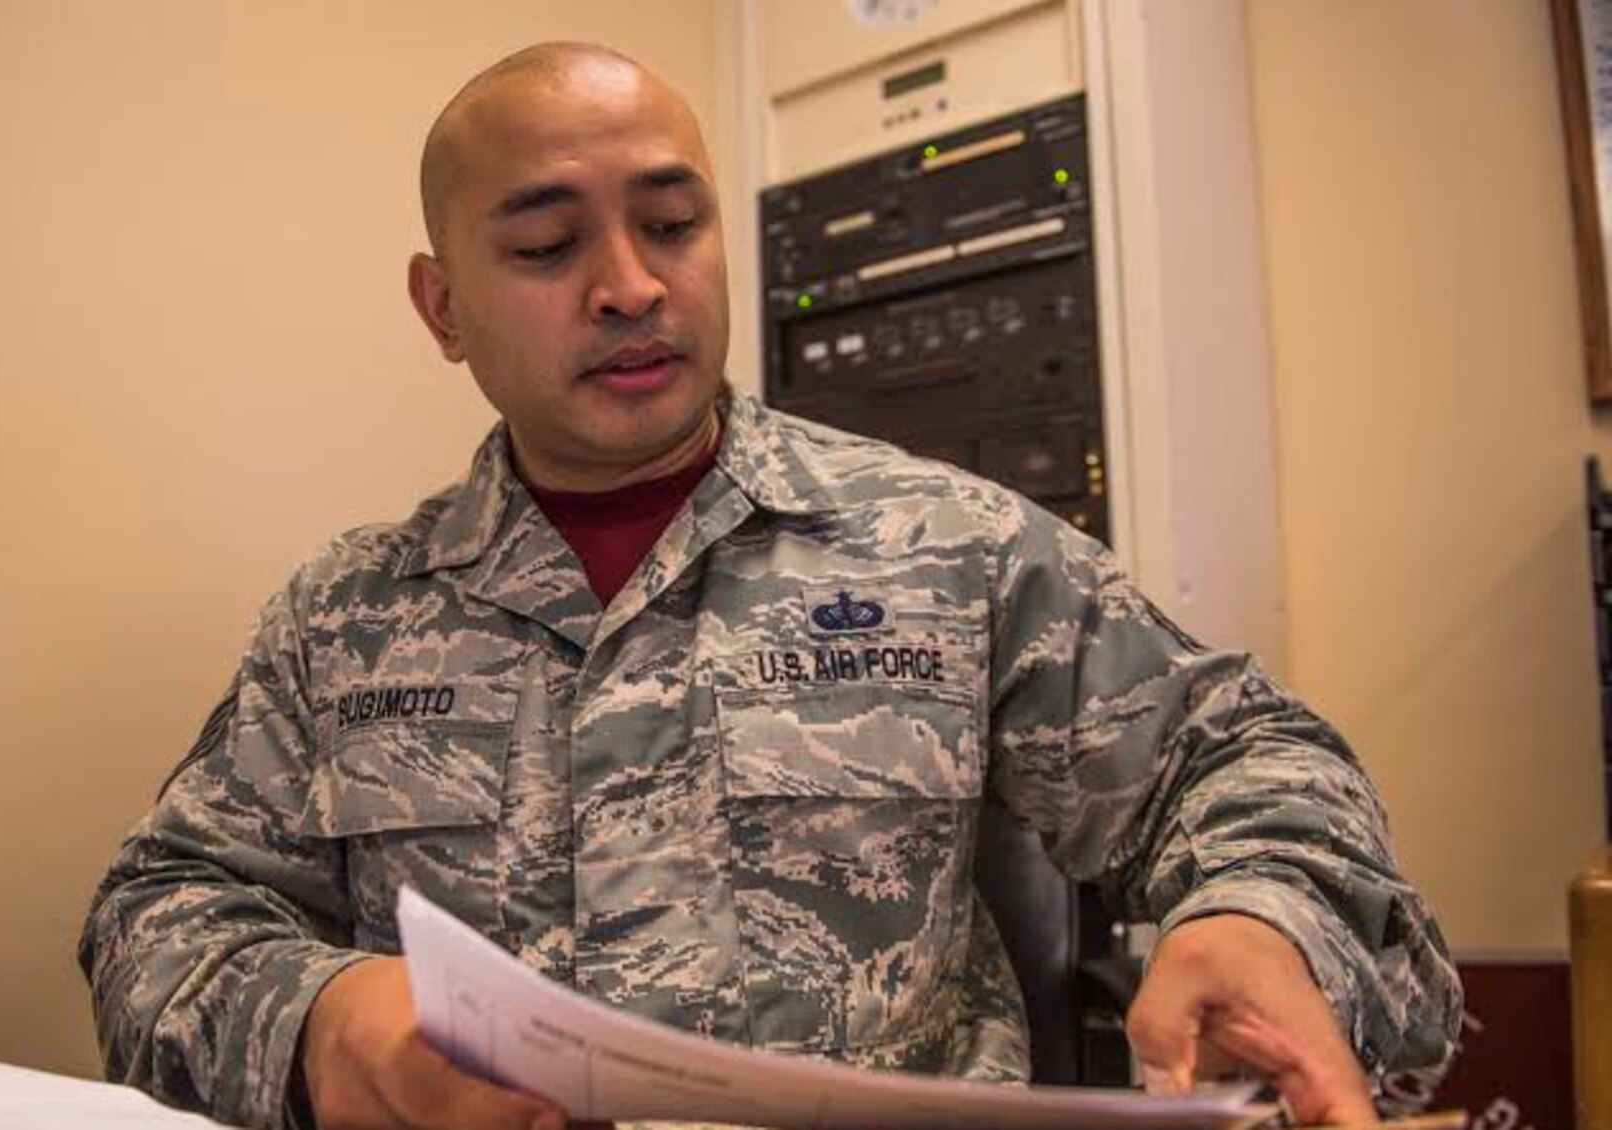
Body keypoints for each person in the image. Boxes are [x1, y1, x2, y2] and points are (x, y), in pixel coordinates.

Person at [79, 42, 1460, 1130]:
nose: (630, 286)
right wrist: (326, 1024)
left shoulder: (946, 545)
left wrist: (1251, 912)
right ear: (443, 309)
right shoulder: (345, 618)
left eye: (672, 224)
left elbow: (1243, 756)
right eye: (550, 247)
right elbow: (160, 916)